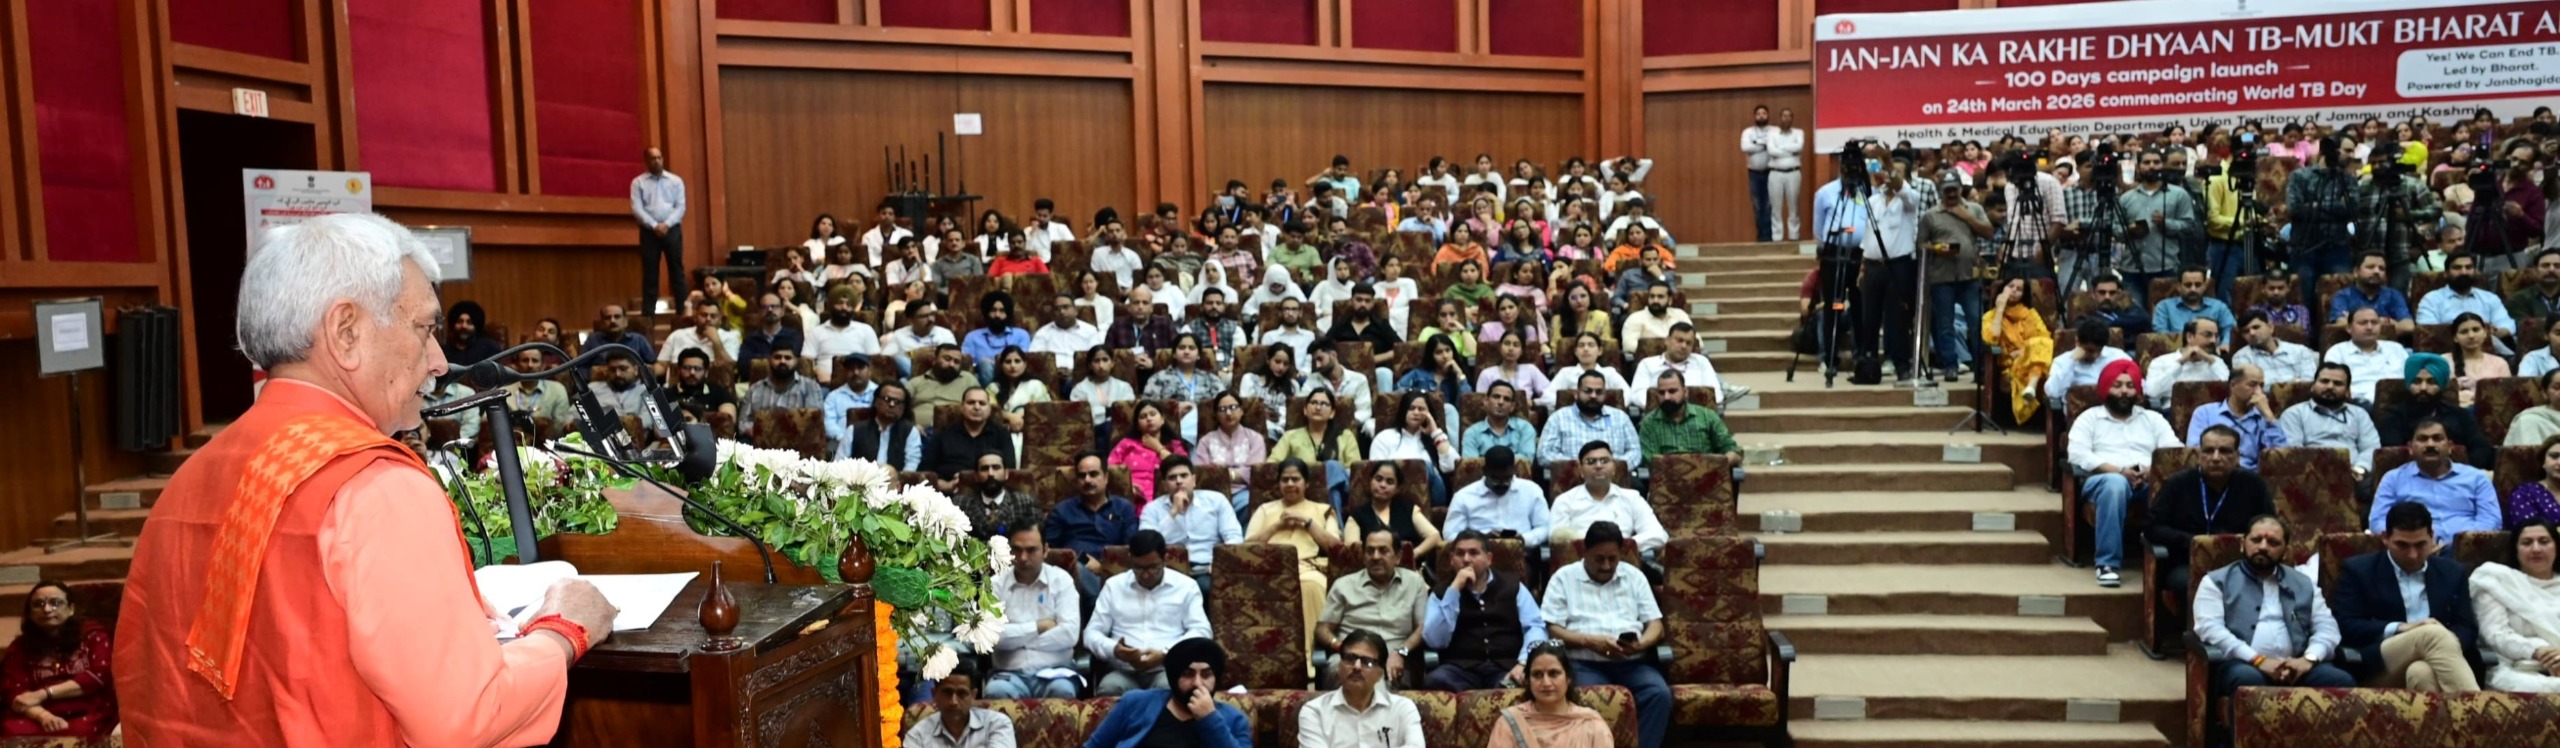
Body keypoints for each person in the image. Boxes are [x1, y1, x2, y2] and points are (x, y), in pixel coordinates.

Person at [118, 214, 615, 744]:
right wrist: (564, 630)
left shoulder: (191, 477)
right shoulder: (376, 486)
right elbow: (464, 718)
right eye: (425, 329)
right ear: (346, 332)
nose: (440, 362)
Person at [2191, 514, 2356, 745]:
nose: (2263, 547)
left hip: (2298, 666)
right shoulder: (2216, 581)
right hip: (2244, 665)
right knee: (2247, 681)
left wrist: (2308, 659)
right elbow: (2211, 630)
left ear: (2285, 550)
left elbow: (2327, 628)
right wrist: (2258, 660)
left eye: (2273, 543)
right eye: (2256, 540)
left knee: (2341, 680)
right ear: (2242, 543)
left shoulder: (2304, 583)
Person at [1539, 521, 1669, 748]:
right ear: (1584, 552)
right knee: (1593, 699)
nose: (1607, 566)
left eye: (1613, 559)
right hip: (1583, 663)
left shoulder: (1635, 577)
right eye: (1599, 559)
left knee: (1659, 694)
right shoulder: (1563, 578)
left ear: (1621, 554)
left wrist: (1641, 644)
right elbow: (1553, 629)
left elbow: (1656, 625)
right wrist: (1589, 641)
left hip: (1632, 662)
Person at [2334, 502, 2487, 692]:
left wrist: (2443, 646)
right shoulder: (2359, 570)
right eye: (2402, 545)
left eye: (2420, 544)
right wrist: (2402, 628)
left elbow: (2466, 627)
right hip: (2381, 664)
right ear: (2385, 538)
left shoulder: (2452, 572)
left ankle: (2453, 721)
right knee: (2431, 633)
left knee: (2421, 673)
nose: (2412, 555)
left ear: (2432, 537)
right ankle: (2478, 714)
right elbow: (2345, 625)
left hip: (2440, 661)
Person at [2067, 358, 2182, 587]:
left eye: (2130, 386)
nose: (2124, 392)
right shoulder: (2090, 418)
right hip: (2102, 480)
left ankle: (2170, 559)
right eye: (2117, 385)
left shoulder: (2152, 419)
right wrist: (2119, 471)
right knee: (2115, 484)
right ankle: (2107, 564)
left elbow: (2175, 449)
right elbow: (2078, 454)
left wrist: (2152, 470)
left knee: (2175, 484)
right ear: (2105, 388)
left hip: (2148, 479)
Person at [2150, 426, 2278, 610]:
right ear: (2199, 455)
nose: (2216, 458)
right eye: (2209, 451)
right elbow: (2153, 527)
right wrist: (2193, 542)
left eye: (2225, 451)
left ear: (2237, 457)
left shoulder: (2253, 484)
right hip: (2188, 562)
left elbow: (2268, 524)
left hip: (2239, 561)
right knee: (2188, 582)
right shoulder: (2178, 483)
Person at [1245, 459, 1343, 652]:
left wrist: (1308, 523)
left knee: (1310, 585)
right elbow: (1246, 548)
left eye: (1295, 479)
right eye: (1285, 479)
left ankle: (1310, 658)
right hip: (1269, 568)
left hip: (1307, 567)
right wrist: (1276, 526)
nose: (1290, 484)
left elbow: (1335, 548)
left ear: (1306, 483)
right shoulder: (1265, 509)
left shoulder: (1322, 510)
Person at [1082, 637, 1249, 746]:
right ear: (1173, 678)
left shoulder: (1234, 719)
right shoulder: (1134, 703)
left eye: (1206, 675)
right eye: (1188, 674)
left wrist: (1209, 719)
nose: (1198, 683)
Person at [1314, 530, 1429, 688]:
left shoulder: (1414, 583)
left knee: (1379, 681)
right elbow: (1322, 629)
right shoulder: (1343, 585)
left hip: (1392, 657)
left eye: (1383, 550)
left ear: (1398, 557)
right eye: (1370, 551)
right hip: (1349, 656)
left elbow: (1422, 628)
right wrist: (1341, 646)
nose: (1375, 557)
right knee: (1342, 671)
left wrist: (1402, 652)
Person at [1, 580, 114, 740]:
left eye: (55, 603)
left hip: (87, 708)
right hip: (38, 712)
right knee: (12, 731)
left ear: (71, 609)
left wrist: (44, 693)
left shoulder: (93, 636)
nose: (47, 609)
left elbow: (100, 676)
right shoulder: (20, 647)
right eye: (38, 604)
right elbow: (13, 691)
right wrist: (44, 716)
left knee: (81, 732)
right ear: (30, 614)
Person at [2370, 419, 2504, 546]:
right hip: (2412, 548)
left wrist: (2461, 543)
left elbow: (2491, 520)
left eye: (2437, 438)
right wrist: (2414, 542)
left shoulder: (2476, 478)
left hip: (2466, 550)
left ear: (2450, 446)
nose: (2430, 444)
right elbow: (2377, 521)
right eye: (2422, 439)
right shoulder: (2393, 479)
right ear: (2410, 448)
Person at [2467, 519, 2560, 692]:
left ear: (2557, 547)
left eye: (2544, 541)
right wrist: (2538, 650)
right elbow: (2495, 634)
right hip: (2515, 669)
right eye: (2526, 543)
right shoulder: (2496, 580)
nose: (2536, 549)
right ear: (2515, 550)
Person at [1920, 172, 1992, 380]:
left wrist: (1966, 217)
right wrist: (1937, 248)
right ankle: (1950, 365)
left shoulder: (1974, 209)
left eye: (1955, 189)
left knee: (1976, 321)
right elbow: (1920, 244)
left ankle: (1981, 368)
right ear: (1941, 191)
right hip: (1941, 277)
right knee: (1945, 324)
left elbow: (1989, 232)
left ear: (1961, 188)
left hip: (1969, 275)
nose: (1951, 194)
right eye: (1947, 190)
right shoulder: (1931, 215)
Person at [1298, 628, 1425, 747]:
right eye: (1350, 659)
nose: (1357, 667)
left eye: (1367, 662)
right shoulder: (1315, 712)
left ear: (1380, 674)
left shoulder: (1402, 709)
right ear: (1339, 666)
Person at [1482, 642, 1613, 748]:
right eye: (1537, 675)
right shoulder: (1510, 723)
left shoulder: (1591, 724)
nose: (1546, 683)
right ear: (1527, 681)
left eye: (1553, 673)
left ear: (1568, 678)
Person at [1140, 457, 1242, 593]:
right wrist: (1173, 512)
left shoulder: (1216, 501)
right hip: (1169, 570)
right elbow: (1145, 546)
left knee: (1204, 587)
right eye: (1172, 478)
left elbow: (1234, 536)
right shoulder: (1152, 509)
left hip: (1208, 568)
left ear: (1193, 480)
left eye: (1184, 476)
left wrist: (1221, 562)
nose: (1179, 481)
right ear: (1164, 485)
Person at [1046, 454, 1141, 599]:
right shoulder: (1062, 510)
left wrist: (1104, 567)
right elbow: (1049, 551)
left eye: (1093, 474)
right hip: (1075, 571)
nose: (1087, 480)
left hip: (1116, 572)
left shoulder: (1124, 508)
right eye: (1082, 476)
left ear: (1106, 477)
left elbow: (1132, 547)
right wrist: (1083, 560)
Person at [1549, 442, 1668, 558]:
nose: (1599, 466)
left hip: (1624, 561)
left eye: (1604, 461)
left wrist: (1622, 546)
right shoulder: (1565, 501)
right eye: (1591, 462)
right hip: (1579, 564)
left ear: (1614, 468)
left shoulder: (1632, 498)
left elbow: (1659, 535)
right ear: (1581, 470)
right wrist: (1593, 548)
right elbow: (1556, 540)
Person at [2378, 355, 2497, 470]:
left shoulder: (2459, 415)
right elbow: (2394, 457)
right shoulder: (2393, 416)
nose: (2423, 388)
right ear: (2408, 385)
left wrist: (2460, 473)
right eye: (2417, 381)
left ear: (2441, 385)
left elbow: (2482, 449)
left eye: (2431, 382)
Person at [2277, 363, 2382, 479]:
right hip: (2310, 475)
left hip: (2354, 474)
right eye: (2324, 381)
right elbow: (2294, 451)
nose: (2330, 387)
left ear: (2347, 390)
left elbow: (2371, 447)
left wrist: (2360, 468)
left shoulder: (2359, 414)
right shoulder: (2294, 414)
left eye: (2338, 383)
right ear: (2313, 385)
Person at [2184, 364, 2288, 469]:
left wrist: (2269, 416)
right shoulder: (2205, 413)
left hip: (2250, 477)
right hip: (2214, 471)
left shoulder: (2264, 417)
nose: (2259, 392)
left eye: (2261, 386)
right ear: (2233, 385)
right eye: (2252, 385)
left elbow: (2281, 457)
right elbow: (2195, 453)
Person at [1982, 275, 2055, 422]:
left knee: (2042, 344)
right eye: (2010, 286)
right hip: (2011, 363)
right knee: (2038, 347)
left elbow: (2045, 339)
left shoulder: (2031, 314)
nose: (2014, 291)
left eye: (2019, 289)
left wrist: (2024, 351)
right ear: (2002, 289)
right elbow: (1991, 339)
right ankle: (2031, 387)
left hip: (2033, 357)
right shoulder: (1990, 316)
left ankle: (2032, 386)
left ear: (2023, 295)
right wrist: (2000, 310)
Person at [1638, 369, 1743, 469]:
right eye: (1661, 393)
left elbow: (1732, 450)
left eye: (1672, 391)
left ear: (1685, 392)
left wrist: (1717, 466)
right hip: (1667, 481)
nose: (1666, 397)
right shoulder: (1649, 423)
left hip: (1707, 478)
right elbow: (1650, 462)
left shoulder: (1707, 416)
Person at [902, 658, 1017, 748]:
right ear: (934, 694)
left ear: (973, 695)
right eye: (947, 692)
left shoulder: (997, 724)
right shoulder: (918, 735)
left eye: (962, 693)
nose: (954, 702)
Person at [632, 146, 687, 312]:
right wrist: (655, 225)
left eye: (659, 157)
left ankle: (682, 311)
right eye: (653, 158)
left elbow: (681, 206)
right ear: (646, 161)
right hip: (649, 232)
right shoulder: (638, 182)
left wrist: (667, 224)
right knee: (650, 274)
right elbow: (637, 208)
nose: (657, 161)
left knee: (677, 271)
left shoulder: (675, 181)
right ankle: (648, 315)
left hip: (672, 230)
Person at [1108, 400, 1189, 507]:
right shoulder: (1126, 444)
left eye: (1153, 414)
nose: (1149, 419)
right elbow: (1109, 469)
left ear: (1162, 420)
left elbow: (1183, 468)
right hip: (1131, 497)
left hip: (1166, 498)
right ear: (1137, 425)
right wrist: (1127, 486)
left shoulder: (1174, 445)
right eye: (1143, 416)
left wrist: (1159, 448)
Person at [2324, 307, 2410, 406]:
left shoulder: (2396, 349)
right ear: (2349, 328)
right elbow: (2333, 384)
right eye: (2363, 323)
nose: (2369, 327)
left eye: (2374, 323)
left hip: (2397, 402)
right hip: (2358, 404)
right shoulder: (2337, 352)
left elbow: (2410, 379)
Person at [1627, 323, 1723, 410]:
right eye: (1679, 341)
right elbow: (1636, 395)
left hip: (1697, 417)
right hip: (1659, 416)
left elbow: (1716, 394)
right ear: (1667, 341)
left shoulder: (1701, 362)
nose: (1684, 346)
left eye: (1688, 343)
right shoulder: (1647, 364)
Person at [2043, 318, 2133, 411]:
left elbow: (2139, 384)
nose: (2095, 356)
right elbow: (2052, 392)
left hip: (2116, 412)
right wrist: (2072, 361)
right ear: (2077, 342)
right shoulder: (2062, 361)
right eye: (2090, 351)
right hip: (2081, 416)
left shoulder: (2118, 356)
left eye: (2099, 350)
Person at [2417, 253, 2515, 336]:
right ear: (2446, 273)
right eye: (2457, 268)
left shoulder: (2490, 298)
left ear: (2475, 272)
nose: (2464, 272)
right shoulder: (2431, 299)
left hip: (2488, 347)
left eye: (2468, 267)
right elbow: (2427, 331)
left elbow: (2508, 325)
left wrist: (2493, 333)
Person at [739, 346, 824, 439]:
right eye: (777, 357)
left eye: (788, 358)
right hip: (759, 443)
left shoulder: (810, 387)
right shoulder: (755, 389)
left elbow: (815, 422)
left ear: (796, 361)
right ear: (769, 360)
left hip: (799, 444)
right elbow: (743, 422)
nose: (782, 361)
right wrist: (760, 434)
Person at [2144, 317, 2228, 409]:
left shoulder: (2216, 362)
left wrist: (2209, 359)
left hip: (2212, 412)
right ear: (2189, 337)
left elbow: (2229, 390)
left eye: (2216, 336)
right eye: (2207, 335)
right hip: (2174, 412)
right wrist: (2180, 362)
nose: (2213, 341)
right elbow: (2152, 392)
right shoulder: (2162, 362)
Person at [2328, 252, 2415, 333]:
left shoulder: (2393, 295)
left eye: (2381, 268)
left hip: (2390, 346)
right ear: (2356, 272)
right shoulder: (2343, 296)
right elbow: (2341, 324)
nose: (2377, 271)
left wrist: (2358, 322)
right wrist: (2387, 322)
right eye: (2370, 267)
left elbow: (2408, 326)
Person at [842, 382, 922, 469]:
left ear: (903, 408)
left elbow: (911, 466)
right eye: (887, 399)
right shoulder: (854, 430)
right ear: (876, 401)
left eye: (897, 402)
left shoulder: (910, 432)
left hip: (897, 481)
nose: (892, 405)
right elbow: (840, 464)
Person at [2151, 267, 2237, 349]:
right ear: (2178, 286)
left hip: (2212, 354)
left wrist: (2225, 343)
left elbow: (2231, 328)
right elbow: (2161, 336)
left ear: (2205, 286)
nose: (2193, 289)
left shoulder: (2218, 306)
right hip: (2176, 356)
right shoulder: (2164, 307)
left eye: (2198, 285)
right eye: (2188, 285)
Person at [2230, 310, 2318, 385]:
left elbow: (2309, 383)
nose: (2252, 333)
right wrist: (2292, 381)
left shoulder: (2300, 351)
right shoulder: (2241, 357)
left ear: (2270, 327)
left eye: (2256, 327)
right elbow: (2252, 387)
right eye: (2246, 331)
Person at [882, 302, 958, 379]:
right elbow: (886, 359)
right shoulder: (899, 335)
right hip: (910, 377)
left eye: (932, 315)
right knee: (899, 362)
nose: (930, 319)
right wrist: (914, 354)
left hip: (939, 375)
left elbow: (955, 356)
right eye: (924, 316)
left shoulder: (945, 334)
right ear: (910, 320)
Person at [1030, 294, 1103, 371]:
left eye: (1066, 307)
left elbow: (1097, 356)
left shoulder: (1090, 330)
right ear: (1053, 313)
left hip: (1082, 373)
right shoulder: (1042, 333)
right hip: (1054, 377)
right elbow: (1035, 359)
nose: (1062, 312)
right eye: (1057, 309)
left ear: (1075, 310)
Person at [1618, 283, 1692, 357]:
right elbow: (1629, 346)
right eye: (1652, 296)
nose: (1655, 300)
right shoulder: (1635, 318)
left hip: (1683, 360)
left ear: (1669, 300)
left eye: (1660, 297)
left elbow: (1696, 342)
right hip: (1649, 362)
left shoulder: (1680, 315)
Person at [1766, 108, 1807, 242]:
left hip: (1793, 172)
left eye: (1789, 116)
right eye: (1784, 116)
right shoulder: (1772, 133)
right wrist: (1790, 151)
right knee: (1775, 207)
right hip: (1775, 173)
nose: (1786, 118)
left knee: (1793, 206)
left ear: (1792, 118)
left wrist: (1781, 150)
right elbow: (1771, 151)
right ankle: (1777, 237)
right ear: (1780, 118)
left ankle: (1793, 236)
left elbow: (1799, 147)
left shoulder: (1798, 132)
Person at [1742, 105, 1779, 242]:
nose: (1761, 116)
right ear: (1754, 116)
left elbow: (1775, 147)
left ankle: (1770, 236)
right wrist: (1765, 145)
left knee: (1770, 205)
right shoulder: (1748, 132)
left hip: (1772, 172)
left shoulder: (1775, 131)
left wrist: (1757, 144)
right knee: (1757, 205)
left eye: (1764, 113)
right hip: (1754, 173)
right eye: (1758, 114)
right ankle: (1761, 236)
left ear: (1768, 115)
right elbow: (1745, 147)